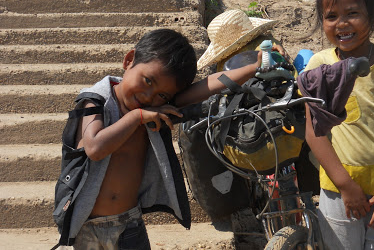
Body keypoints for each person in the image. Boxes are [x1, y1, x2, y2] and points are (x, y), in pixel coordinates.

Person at [67, 28, 262, 249]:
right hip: (87, 227)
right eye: (148, 81)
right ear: (129, 60)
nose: (149, 96)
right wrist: (136, 117)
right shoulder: (95, 101)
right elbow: (94, 148)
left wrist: (254, 67)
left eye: (162, 95)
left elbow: (208, 85)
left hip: (129, 226)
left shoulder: (154, 108)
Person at [304, 0, 374, 249]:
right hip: (338, 191)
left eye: (352, 13)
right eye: (331, 16)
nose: (341, 24)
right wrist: (346, 186)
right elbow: (314, 132)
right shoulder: (319, 66)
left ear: (372, 15)